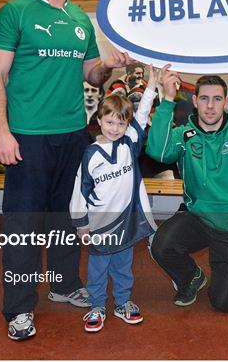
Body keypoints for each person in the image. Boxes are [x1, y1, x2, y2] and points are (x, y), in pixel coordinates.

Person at [0, 0, 136, 341]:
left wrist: (108, 64)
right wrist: (1, 130)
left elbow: (92, 77)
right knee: (25, 224)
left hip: (72, 135)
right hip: (27, 137)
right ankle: (18, 308)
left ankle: (64, 284)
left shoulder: (80, 19)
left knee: (68, 217)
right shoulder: (14, 11)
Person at [147, 67, 228, 312]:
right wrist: (168, 100)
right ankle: (192, 276)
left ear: (226, 102)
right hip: (198, 218)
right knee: (160, 245)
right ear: (195, 101)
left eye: (217, 99)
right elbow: (158, 152)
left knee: (225, 304)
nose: (210, 106)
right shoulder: (184, 135)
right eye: (204, 98)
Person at [70, 66, 160, 333]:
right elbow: (79, 190)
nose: (116, 127)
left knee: (123, 266)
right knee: (97, 268)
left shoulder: (129, 144)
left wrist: (152, 84)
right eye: (110, 122)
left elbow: (142, 114)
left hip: (127, 222)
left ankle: (122, 303)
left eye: (121, 123)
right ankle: (97, 306)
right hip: (99, 224)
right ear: (99, 121)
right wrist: (81, 224)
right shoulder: (91, 154)